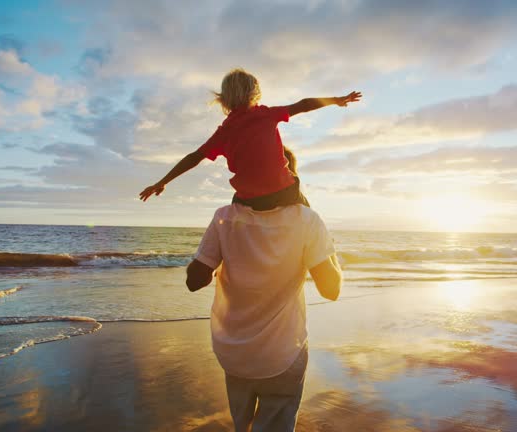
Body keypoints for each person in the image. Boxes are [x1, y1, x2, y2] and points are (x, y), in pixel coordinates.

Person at [187, 202, 342, 431]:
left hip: (235, 351)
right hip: (283, 351)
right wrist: (329, 252)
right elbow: (331, 289)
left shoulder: (226, 217)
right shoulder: (306, 219)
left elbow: (194, 281)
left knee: (243, 425)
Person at [139, 68, 361, 210]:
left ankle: (220, 260)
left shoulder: (224, 131)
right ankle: (316, 238)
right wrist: (336, 100)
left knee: (232, 218)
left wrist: (162, 182)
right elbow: (303, 104)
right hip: (284, 192)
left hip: (247, 200)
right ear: (255, 94)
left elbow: (194, 157)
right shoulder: (266, 114)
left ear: (224, 99)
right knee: (307, 215)